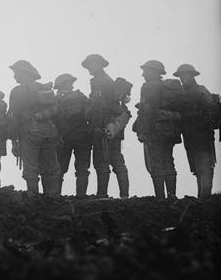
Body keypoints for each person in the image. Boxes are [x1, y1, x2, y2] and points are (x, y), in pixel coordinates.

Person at [7, 60, 60, 195]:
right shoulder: (44, 88)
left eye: (17, 73)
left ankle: (34, 199)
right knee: (50, 168)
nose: (15, 76)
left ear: (25, 73)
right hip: (49, 133)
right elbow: (56, 112)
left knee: (31, 169)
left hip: (29, 133)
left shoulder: (17, 91)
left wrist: (14, 140)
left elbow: (13, 117)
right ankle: (52, 199)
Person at [132, 60, 183, 199]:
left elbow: (146, 111)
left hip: (155, 129)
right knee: (168, 160)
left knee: (156, 163)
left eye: (146, 71)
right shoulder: (166, 87)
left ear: (153, 72)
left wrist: (142, 131)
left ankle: (160, 198)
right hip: (170, 129)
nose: (143, 74)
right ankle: (172, 195)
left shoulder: (148, 87)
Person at [82, 53, 130, 198]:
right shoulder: (108, 81)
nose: (89, 68)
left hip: (103, 127)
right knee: (117, 159)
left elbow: (99, 107)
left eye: (91, 65)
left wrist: (96, 125)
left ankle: (102, 195)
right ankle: (124, 195)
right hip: (113, 127)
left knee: (102, 162)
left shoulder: (99, 81)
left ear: (98, 64)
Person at [173, 63, 218, 199]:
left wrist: (200, 118)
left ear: (192, 76)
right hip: (189, 135)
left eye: (185, 75)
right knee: (196, 166)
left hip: (202, 133)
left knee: (205, 164)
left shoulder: (200, 90)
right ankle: (202, 195)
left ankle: (205, 195)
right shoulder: (180, 92)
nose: (182, 78)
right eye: (181, 76)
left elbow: (212, 109)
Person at [53, 73, 91, 197]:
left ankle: (56, 197)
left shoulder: (56, 100)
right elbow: (89, 114)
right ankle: (81, 196)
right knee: (82, 170)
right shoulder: (81, 97)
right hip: (82, 137)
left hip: (64, 138)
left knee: (59, 169)